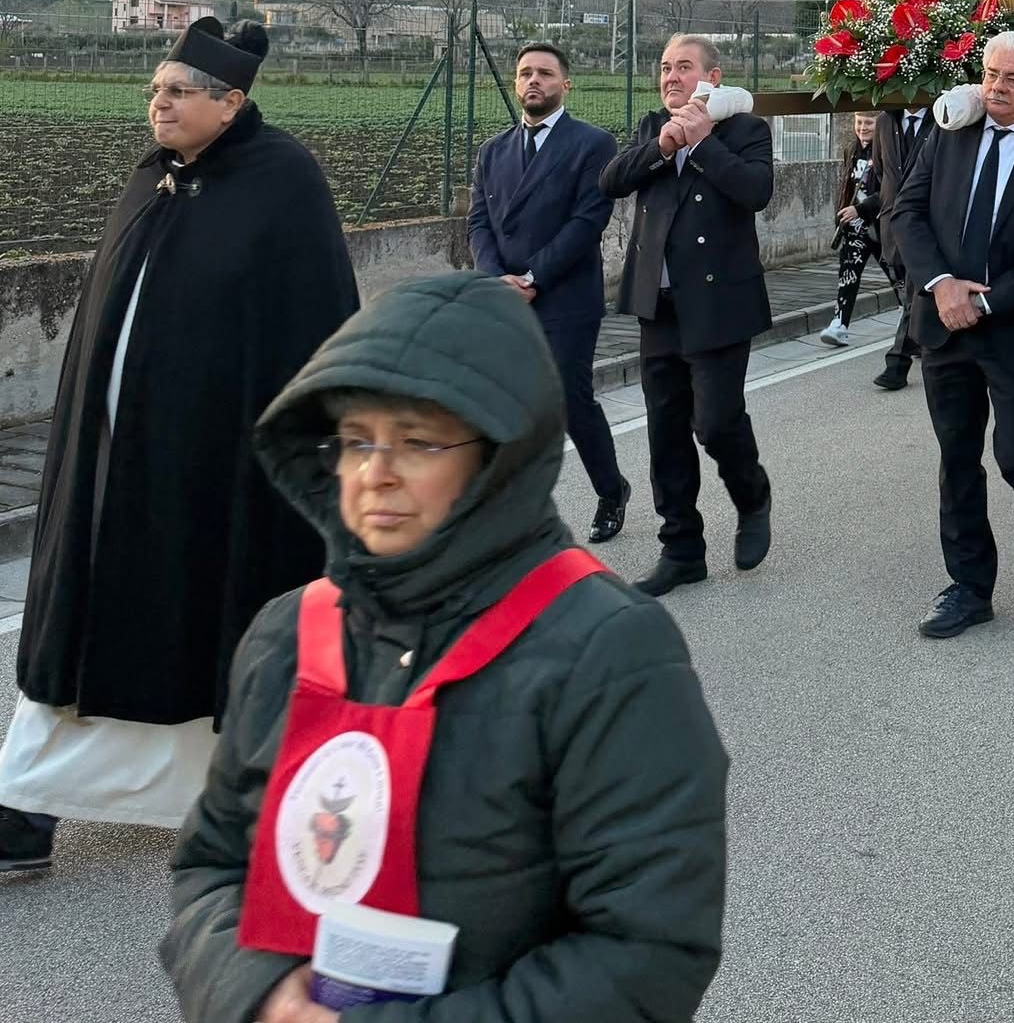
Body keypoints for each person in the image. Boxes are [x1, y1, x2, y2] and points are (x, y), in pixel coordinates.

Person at [160, 272, 727, 1023]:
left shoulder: (609, 649)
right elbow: (214, 863)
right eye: (356, 439)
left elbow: (647, 953)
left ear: (499, 456)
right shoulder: (289, 633)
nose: (375, 474)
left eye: (418, 442)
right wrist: (258, 996)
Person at [0, 18, 357, 875]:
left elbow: (316, 327)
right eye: (154, 89)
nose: (155, 103)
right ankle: (29, 804)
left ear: (231, 103)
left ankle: (234, 802)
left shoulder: (284, 184)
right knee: (78, 623)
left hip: (210, 470)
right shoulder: (153, 181)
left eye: (176, 91)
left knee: (210, 630)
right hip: (111, 461)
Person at [891, 31, 1014, 639]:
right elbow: (906, 213)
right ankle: (970, 586)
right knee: (957, 459)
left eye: (1011, 79)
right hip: (943, 326)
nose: (995, 87)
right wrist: (941, 284)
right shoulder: (949, 137)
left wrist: (989, 301)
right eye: (989, 74)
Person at [600, 36, 774, 597]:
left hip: (721, 302)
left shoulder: (745, 129)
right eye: (664, 67)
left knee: (716, 422)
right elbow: (613, 180)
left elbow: (756, 191)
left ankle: (751, 495)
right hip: (660, 306)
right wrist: (664, 145)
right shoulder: (653, 125)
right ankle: (681, 548)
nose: (670, 77)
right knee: (666, 428)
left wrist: (700, 144)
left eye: (683, 67)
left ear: (712, 78)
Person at [467, 42, 630, 544]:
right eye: (524, 74)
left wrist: (534, 278)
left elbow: (587, 222)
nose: (532, 81)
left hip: (565, 296)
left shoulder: (592, 144)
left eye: (544, 73)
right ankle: (513, 510)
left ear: (565, 84)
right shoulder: (492, 152)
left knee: (568, 398)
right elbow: (478, 222)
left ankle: (610, 489)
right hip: (506, 298)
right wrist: (496, 278)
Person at [871, 102, 936, 390]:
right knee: (916, 293)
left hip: (926, 222)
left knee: (913, 292)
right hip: (892, 221)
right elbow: (881, 171)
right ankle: (927, 342)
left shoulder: (941, 118)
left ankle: (896, 364)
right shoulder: (885, 121)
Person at [821, 112, 897, 347]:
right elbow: (846, 184)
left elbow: (889, 187)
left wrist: (863, 208)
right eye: (859, 122)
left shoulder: (888, 149)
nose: (863, 128)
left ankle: (911, 324)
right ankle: (840, 323)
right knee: (848, 274)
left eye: (868, 123)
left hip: (882, 225)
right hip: (855, 227)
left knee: (897, 276)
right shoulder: (851, 149)